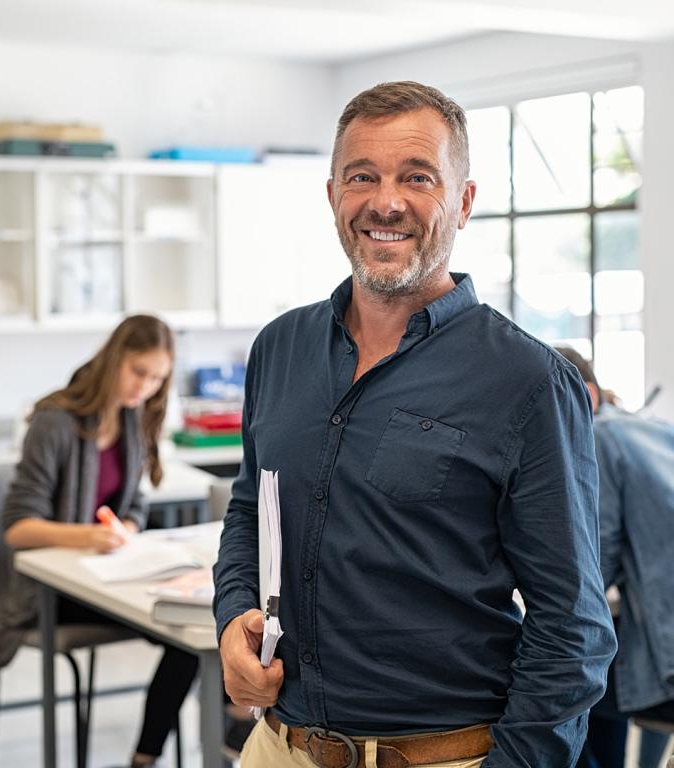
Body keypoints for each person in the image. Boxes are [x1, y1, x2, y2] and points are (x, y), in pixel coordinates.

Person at [213, 80, 617, 768]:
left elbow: (571, 624)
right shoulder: (278, 347)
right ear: (333, 194)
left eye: (417, 177)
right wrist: (231, 621)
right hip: (280, 747)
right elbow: (254, 507)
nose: (386, 201)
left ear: (463, 201)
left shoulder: (525, 380)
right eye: (361, 176)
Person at [0, 314, 197, 768]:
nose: (146, 388)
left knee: (197, 629)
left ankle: (147, 755)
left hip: (109, 575)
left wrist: (126, 531)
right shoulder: (54, 421)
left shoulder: (131, 420)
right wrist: (90, 536)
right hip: (54, 591)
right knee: (186, 633)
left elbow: (134, 506)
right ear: (114, 359)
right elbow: (17, 526)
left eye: (157, 379)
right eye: (139, 373)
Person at [555, 347, 674, 768]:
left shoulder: (599, 436)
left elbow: (598, 555)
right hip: (661, 617)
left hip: (659, 627)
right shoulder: (649, 428)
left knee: (577, 692)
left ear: (584, 395)